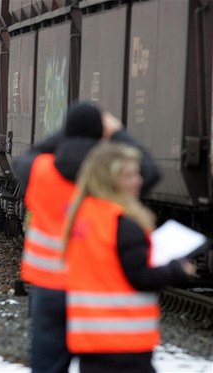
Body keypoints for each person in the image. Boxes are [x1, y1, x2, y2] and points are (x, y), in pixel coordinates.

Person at [11, 101, 161, 373]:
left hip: (50, 288)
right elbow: (150, 170)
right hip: (96, 292)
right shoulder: (108, 177)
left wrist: (66, 132)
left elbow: (24, 158)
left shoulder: (41, 170)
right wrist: (116, 134)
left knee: (47, 366)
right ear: (100, 134)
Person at [62, 142, 195, 373]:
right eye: (129, 175)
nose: (139, 181)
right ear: (109, 179)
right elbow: (139, 277)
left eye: (137, 174)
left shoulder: (81, 217)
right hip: (123, 341)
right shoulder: (123, 224)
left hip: (90, 339)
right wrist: (177, 270)